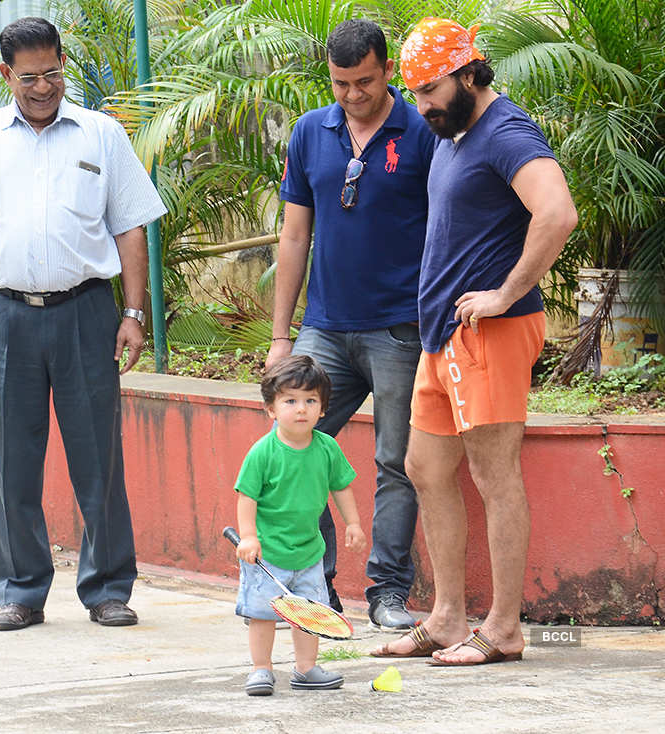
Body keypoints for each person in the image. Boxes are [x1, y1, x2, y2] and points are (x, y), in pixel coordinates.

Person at [0, 17, 167, 631]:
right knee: (14, 460)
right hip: (7, 315)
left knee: (99, 459)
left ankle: (108, 588)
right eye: (31, 77)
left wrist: (133, 313)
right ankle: (20, 590)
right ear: (7, 74)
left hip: (87, 313)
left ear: (64, 64)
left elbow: (131, 227)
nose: (44, 87)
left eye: (54, 73)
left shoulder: (101, 134)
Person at [371, 18, 578, 664]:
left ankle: (506, 628)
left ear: (468, 72)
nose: (421, 105)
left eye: (430, 89)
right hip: (444, 335)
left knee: (493, 475)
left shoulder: (506, 132)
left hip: (491, 332)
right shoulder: (455, 134)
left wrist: (505, 293)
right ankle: (446, 617)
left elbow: (558, 212)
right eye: (414, 93)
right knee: (425, 469)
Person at [267, 18, 435, 630]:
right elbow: (293, 234)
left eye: (364, 81)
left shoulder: (421, 132)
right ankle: (316, 587)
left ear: (387, 71)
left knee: (398, 461)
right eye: (341, 83)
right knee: (295, 447)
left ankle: (387, 592)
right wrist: (282, 334)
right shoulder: (311, 131)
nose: (353, 95)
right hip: (325, 328)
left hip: (400, 327)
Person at [234, 355, 367, 695]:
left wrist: (353, 523)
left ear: (323, 409)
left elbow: (341, 486)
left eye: (311, 400)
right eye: (290, 401)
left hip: (309, 551)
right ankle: (261, 669)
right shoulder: (263, 452)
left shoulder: (327, 448)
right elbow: (246, 497)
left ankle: (305, 668)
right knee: (263, 615)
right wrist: (248, 537)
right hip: (267, 553)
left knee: (309, 614)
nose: (301, 409)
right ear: (271, 409)